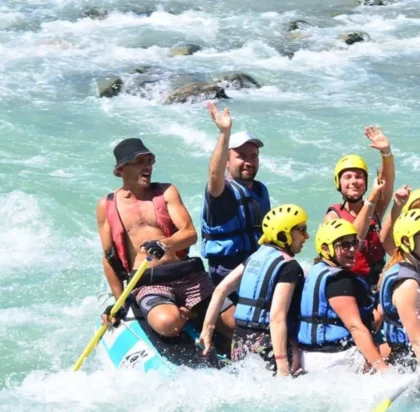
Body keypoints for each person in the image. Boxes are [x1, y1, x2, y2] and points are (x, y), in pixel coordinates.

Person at [97, 138, 230, 339]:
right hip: (149, 283)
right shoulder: (106, 206)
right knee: (168, 323)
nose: (148, 166)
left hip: (188, 276)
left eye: (150, 161)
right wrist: (119, 303)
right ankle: (188, 314)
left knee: (235, 323)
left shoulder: (167, 191)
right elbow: (109, 258)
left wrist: (164, 244)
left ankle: (192, 312)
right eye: (140, 161)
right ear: (122, 169)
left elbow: (189, 233)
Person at [199, 205, 309, 377]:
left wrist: (207, 331)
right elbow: (276, 317)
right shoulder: (289, 267)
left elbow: (220, 290)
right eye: (302, 230)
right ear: (285, 234)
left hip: (240, 342)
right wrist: (282, 367)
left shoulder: (254, 257)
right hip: (267, 344)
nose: (306, 236)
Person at [297, 219, 388, 373]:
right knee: (398, 351)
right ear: (326, 249)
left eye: (355, 243)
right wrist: (384, 371)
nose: (352, 249)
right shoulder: (339, 281)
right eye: (345, 245)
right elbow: (355, 328)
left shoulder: (315, 270)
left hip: (308, 356)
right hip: (336, 358)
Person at [200, 103, 271, 285]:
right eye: (241, 156)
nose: (249, 162)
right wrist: (225, 132)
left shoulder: (260, 190)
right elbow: (215, 175)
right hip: (227, 272)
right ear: (227, 161)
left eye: (253, 156)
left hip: (258, 265)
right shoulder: (222, 192)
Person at [324, 126, 395, 287]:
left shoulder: (375, 210)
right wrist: (371, 199)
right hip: (347, 286)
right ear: (338, 183)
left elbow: (387, 182)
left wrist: (386, 153)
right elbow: (354, 239)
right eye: (347, 177)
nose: (354, 181)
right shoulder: (333, 216)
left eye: (359, 176)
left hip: (375, 284)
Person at [377, 209, 420, 378]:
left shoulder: (404, 269)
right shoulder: (408, 284)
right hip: (409, 365)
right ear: (407, 241)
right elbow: (418, 342)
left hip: (409, 359)